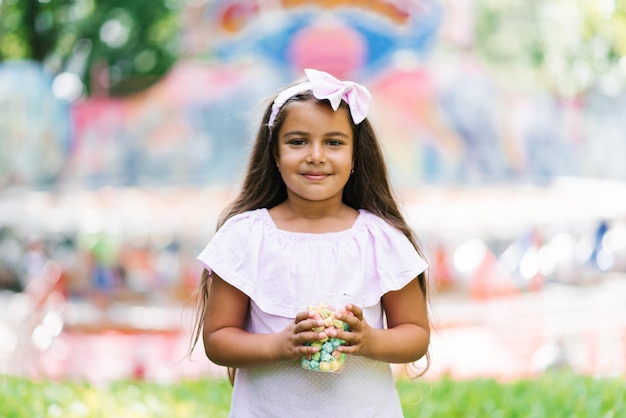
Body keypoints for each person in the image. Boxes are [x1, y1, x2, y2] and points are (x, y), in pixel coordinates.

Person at [189, 68, 430, 417]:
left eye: (334, 142)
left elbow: (415, 335)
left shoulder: (380, 239)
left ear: (354, 157)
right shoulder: (245, 237)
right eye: (298, 141)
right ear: (274, 153)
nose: (315, 155)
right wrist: (279, 345)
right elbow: (218, 340)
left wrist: (368, 339)